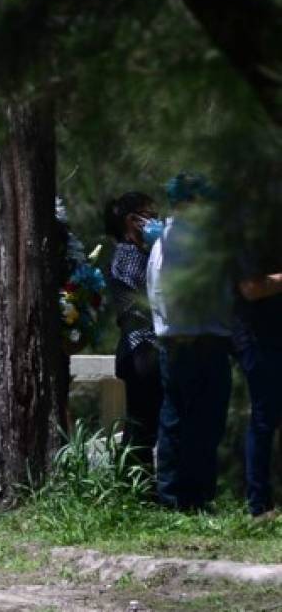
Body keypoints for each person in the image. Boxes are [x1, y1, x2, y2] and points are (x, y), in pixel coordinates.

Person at [147, 173, 233, 512]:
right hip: (200, 339)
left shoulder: (162, 241)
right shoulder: (193, 241)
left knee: (175, 419)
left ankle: (173, 494)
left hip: (174, 340)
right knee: (203, 422)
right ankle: (195, 497)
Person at [105, 192, 163, 472]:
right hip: (141, 349)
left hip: (148, 350)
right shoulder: (127, 257)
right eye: (149, 214)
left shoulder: (143, 254)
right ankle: (133, 484)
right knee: (141, 426)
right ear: (132, 220)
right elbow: (143, 304)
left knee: (146, 424)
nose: (155, 220)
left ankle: (141, 484)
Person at [234, 255, 282, 517]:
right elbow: (251, 288)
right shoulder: (249, 234)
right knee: (264, 418)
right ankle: (259, 504)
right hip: (259, 339)